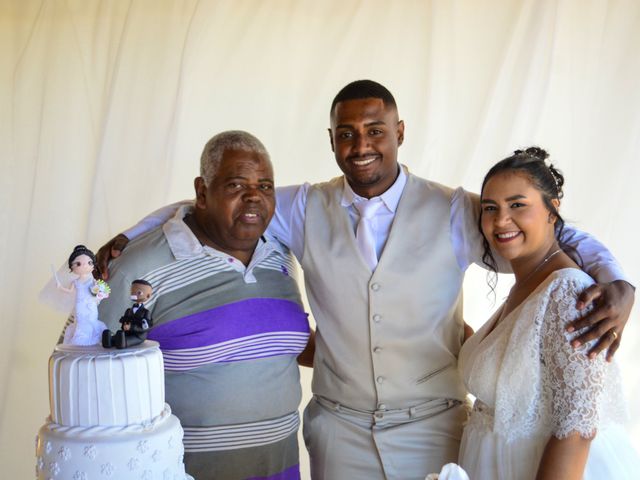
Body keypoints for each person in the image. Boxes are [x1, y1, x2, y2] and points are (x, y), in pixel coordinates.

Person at [98, 81, 634, 479]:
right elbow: (218, 200)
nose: (362, 146)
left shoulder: (454, 209)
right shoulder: (302, 206)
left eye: (376, 130)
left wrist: (614, 277)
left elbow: (537, 232)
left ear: (399, 133)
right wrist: (129, 238)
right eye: (347, 134)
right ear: (331, 140)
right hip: (338, 434)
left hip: (436, 430)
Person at [96, 131, 313, 480]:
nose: (254, 198)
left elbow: (285, 345)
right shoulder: (138, 266)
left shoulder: (281, 256)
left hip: (281, 470)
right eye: (236, 185)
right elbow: (92, 377)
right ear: (202, 192)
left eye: (266, 186)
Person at [458, 147, 638, 479]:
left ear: (552, 210)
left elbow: (577, 429)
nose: (501, 220)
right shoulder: (527, 286)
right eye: (490, 208)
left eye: (517, 205)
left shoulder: (569, 294)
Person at [58, 245, 109, 345]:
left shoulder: (92, 280)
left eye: (89, 263)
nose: (85, 266)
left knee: (92, 319)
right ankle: (80, 341)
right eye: (78, 264)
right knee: (81, 321)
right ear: (71, 267)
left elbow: (98, 289)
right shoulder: (75, 282)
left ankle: (93, 340)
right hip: (80, 304)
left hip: (91, 304)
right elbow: (69, 291)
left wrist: (100, 293)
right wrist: (60, 287)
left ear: (93, 265)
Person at [102, 279, 153, 349]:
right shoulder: (128, 311)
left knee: (122, 341)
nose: (134, 294)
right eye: (132, 292)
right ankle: (109, 341)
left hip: (138, 336)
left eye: (138, 292)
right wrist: (124, 327)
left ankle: (120, 342)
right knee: (115, 337)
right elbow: (124, 322)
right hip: (127, 333)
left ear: (148, 296)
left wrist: (131, 327)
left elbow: (145, 328)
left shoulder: (146, 312)